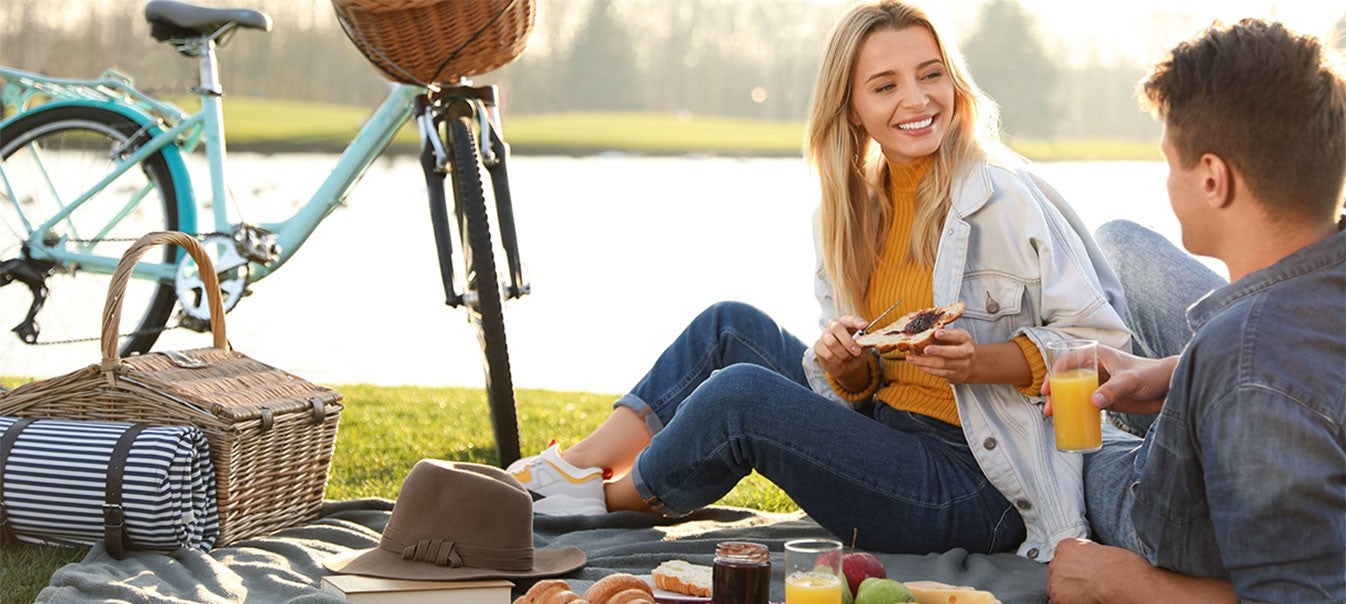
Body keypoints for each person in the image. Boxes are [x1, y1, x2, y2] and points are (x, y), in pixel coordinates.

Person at [509, 0, 1129, 559]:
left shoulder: (1006, 199)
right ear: (853, 111)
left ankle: (606, 501)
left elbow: (1104, 346)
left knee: (743, 398)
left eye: (931, 74)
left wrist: (984, 362)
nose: (916, 100)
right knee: (731, 326)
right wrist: (850, 371)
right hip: (886, 437)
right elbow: (864, 391)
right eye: (885, 86)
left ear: (955, 82)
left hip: (979, 487)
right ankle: (575, 468)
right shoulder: (850, 215)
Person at [1044, 18, 1346, 603]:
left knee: (1057, 439)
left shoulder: (1246, 368)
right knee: (1122, 243)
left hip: (1165, 518)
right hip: (1244, 385)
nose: (1168, 182)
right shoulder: (1250, 351)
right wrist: (1169, 374)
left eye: (1170, 162)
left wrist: (1123, 583)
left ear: (1212, 178)